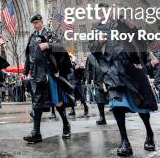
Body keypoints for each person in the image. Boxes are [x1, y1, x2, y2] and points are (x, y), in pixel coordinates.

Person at [95, 17, 158, 156]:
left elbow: (144, 42)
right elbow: (94, 50)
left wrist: (133, 28)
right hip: (113, 71)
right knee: (117, 105)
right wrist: (99, 42)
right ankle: (125, 141)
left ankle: (149, 132)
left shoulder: (128, 28)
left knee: (142, 104)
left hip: (132, 69)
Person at [23, 14, 74, 143]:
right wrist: (26, 71)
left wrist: (48, 45)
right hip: (36, 73)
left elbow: (62, 47)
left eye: (37, 22)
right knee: (37, 103)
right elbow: (28, 55)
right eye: (33, 23)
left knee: (57, 101)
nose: (35, 25)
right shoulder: (32, 37)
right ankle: (36, 133)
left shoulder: (50, 32)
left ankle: (66, 125)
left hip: (49, 72)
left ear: (41, 22)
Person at [85, 48, 109, 125]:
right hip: (97, 81)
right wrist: (88, 80)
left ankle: (119, 115)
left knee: (113, 97)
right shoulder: (90, 57)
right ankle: (102, 117)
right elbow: (88, 69)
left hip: (109, 79)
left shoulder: (107, 53)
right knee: (99, 99)